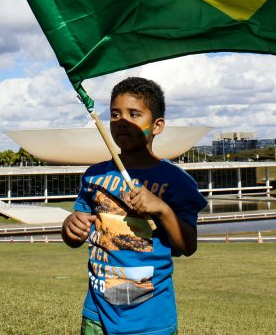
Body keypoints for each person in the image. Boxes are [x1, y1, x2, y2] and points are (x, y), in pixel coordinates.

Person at [61, 77, 207, 335]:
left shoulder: (178, 181)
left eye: (134, 114)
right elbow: (76, 234)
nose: (122, 121)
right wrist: (69, 227)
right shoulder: (94, 175)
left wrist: (161, 208)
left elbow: (188, 246)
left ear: (157, 125)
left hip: (151, 319)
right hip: (97, 313)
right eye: (115, 114)